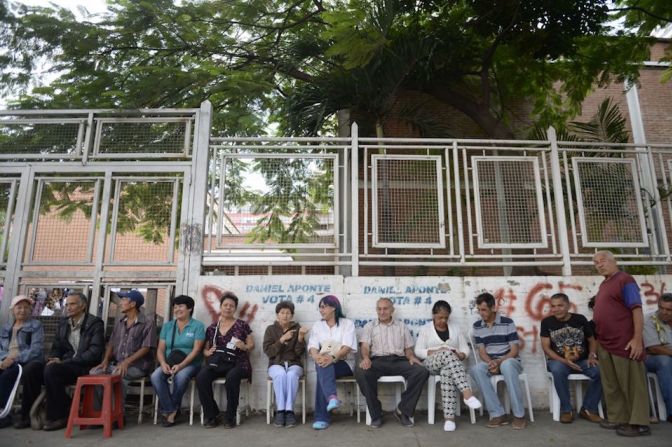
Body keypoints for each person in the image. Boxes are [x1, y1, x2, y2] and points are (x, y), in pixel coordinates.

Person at [593, 250, 650, 437]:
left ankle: (639, 423)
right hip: (606, 342)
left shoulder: (626, 280)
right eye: (596, 263)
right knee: (612, 384)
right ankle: (618, 417)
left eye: (602, 261)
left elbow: (636, 310)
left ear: (612, 261)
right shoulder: (604, 284)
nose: (599, 265)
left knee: (631, 383)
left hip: (624, 341)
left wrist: (636, 339)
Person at [355, 297, 429, 428]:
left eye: (385, 308)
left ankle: (403, 411)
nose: (382, 312)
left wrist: (411, 356)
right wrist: (366, 358)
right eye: (379, 309)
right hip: (377, 361)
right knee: (361, 372)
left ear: (392, 310)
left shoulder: (401, 326)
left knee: (421, 371)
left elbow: (407, 348)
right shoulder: (370, 326)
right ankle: (376, 415)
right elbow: (365, 347)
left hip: (399, 360)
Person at [38, 291, 105, 431]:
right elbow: (56, 347)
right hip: (66, 365)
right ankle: (27, 414)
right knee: (33, 368)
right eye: (67, 304)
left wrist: (64, 362)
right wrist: (54, 357)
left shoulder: (95, 323)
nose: (68, 307)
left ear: (83, 306)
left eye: (73, 304)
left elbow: (94, 353)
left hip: (85, 366)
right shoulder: (63, 323)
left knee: (52, 370)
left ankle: (58, 416)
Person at [414, 300, 481, 432]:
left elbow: (465, 350)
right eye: (440, 317)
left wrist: (460, 355)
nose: (443, 320)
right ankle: (467, 393)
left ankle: (449, 420)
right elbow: (418, 351)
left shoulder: (455, 328)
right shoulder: (426, 329)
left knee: (446, 372)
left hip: (451, 365)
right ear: (433, 315)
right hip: (431, 363)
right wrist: (435, 351)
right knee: (446, 353)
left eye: (446, 317)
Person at [540, 292, 602, 424]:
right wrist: (564, 361)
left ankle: (588, 409)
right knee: (557, 369)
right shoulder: (547, 322)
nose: (556, 309)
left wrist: (592, 355)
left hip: (582, 361)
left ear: (568, 305)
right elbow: (546, 348)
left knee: (600, 371)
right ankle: (567, 410)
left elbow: (592, 340)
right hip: (559, 361)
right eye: (553, 306)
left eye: (560, 305)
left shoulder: (580, 319)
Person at [196, 291, 254, 429]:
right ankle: (212, 415)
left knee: (232, 377)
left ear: (235, 308)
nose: (228, 308)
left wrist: (244, 346)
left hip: (239, 363)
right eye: (225, 305)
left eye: (231, 306)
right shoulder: (212, 328)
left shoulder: (242, 325)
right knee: (201, 377)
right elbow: (204, 349)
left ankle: (230, 416)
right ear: (220, 307)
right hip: (218, 363)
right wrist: (207, 352)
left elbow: (252, 345)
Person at [469, 292, 527, 429]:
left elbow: (514, 350)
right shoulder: (477, 326)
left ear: (493, 308)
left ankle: (519, 415)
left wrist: (498, 362)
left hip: (510, 361)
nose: (481, 313)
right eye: (479, 310)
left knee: (507, 365)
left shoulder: (507, 323)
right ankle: (498, 413)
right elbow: (482, 351)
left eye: (483, 309)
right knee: (476, 369)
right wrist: (490, 363)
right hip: (492, 361)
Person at [90, 290, 157, 403]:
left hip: (138, 366)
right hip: (117, 364)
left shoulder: (148, 323)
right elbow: (111, 343)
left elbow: (146, 347)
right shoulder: (120, 323)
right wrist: (105, 361)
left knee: (117, 375)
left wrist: (127, 362)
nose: (120, 303)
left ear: (133, 304)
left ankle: (117, 414)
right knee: (94, 373)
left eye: (124, 300)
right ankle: (100, 412)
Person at [151, 295, 205, 427]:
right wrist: (163, 363)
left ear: (190, 308)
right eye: (175, 307)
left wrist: (181, 366)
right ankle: (172, 410)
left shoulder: (197, 326)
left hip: (191, 363)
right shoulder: (168, 326)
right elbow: (160, 349)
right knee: (156, 376)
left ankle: (169, 413)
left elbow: (196, 350)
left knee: (181, 377)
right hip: (170, 361)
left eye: (181, 306)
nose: (177, 309)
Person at [307, 295, 357, 430]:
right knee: (322, 365)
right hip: (325, 362)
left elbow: (347, 347)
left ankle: (322, 417)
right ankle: (332, 398)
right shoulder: (318, 325)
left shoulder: (347, 324)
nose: (321, 310)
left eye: (324, 307)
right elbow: (312, 346)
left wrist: (333, 358)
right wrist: (316, 356)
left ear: (334, 307)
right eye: (320, 307)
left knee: (323, 368)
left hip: (344, 363)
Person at [0, 295, 44, 429]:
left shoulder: (35, 325)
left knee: (8, 375)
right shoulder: (6, 327)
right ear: (13, 310)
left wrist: (13, 359)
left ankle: (4, 414)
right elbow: (1, 348)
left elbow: (36, 349)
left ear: (31, 310)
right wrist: (3, 359)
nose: (22, 310)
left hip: (25, 360)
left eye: (26, 307)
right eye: (19, 307)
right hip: (7, 360)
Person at [263, 301, 309, 428]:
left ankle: (289, 411)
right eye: (282, 313)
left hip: (294, 364)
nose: (285, 315)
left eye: (288, 313)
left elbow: (299, 353)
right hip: (276, 364)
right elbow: (269, 352)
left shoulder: (297, 329)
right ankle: (280, 411)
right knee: (281, 374)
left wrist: (300, 338)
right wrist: (282, 339)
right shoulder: (270, 330)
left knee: (291, 375)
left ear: (292, 315)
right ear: (277, 315)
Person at [643, 292, 672, 423]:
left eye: (669, 310)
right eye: (661, 308)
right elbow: (653, 348)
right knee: (665, 361)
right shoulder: (649, 320)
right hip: (652, 358)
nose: (664, 312)